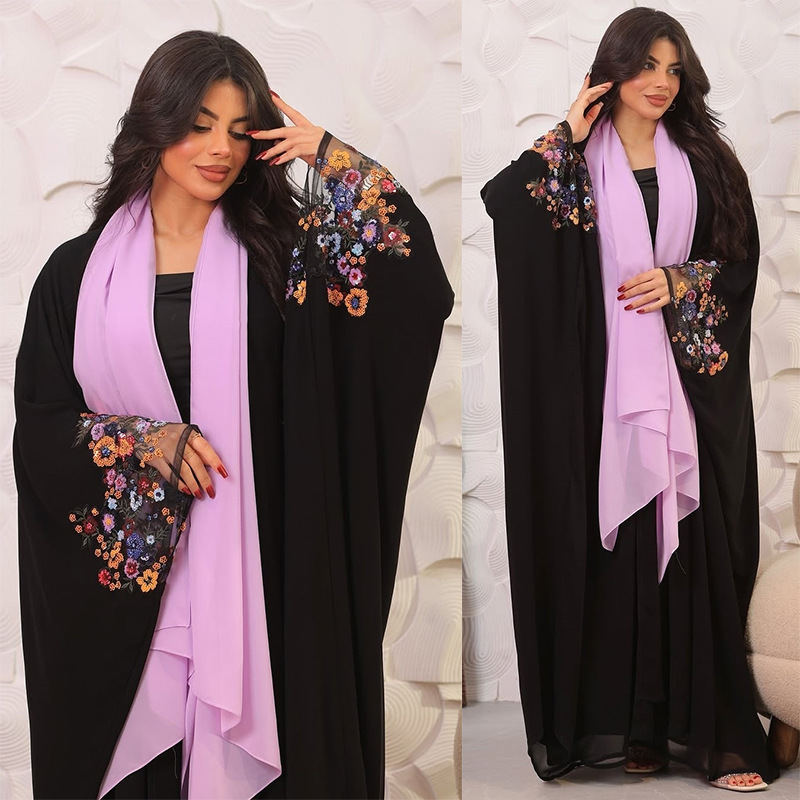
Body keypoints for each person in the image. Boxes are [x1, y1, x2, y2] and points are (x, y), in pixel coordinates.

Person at [14, 30, 453, 800]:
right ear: (156, 123)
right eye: (199, 125)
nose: (221, 148)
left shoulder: (285, 261)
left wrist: (336, 162)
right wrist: (142, 442)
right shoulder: (73, 276)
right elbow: (41, 429)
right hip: (134, 599)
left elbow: (415, 288)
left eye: (240, 130)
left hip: (266, 570)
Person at [481, 7, 778, 793]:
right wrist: (564, 135)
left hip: (685, 391)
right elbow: (505, 206)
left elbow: (739, 262)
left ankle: (717, 737)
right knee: (617, 561)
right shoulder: (575, 162)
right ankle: (637, 731)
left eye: (674, 69)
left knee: (694, 555)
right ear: (612, 70)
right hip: (604, 390)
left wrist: (681, 281)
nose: (660, 82)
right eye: (646, 65)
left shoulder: (707, 160)